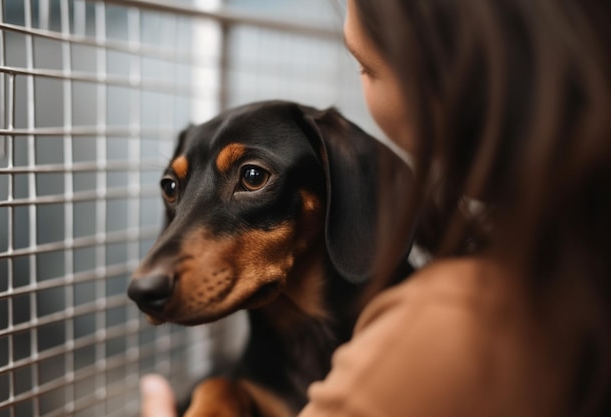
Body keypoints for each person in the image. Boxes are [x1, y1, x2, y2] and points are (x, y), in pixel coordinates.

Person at [142, 0, 611, 416]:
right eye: (172, 188)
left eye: (363, 66)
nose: (147, 276)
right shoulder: (564, 271)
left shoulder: (441, 326)